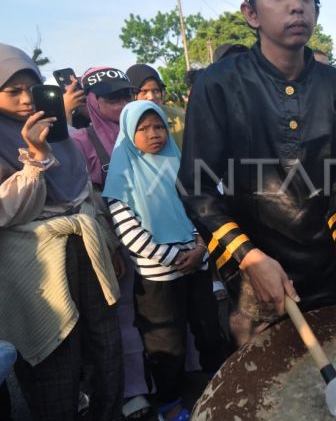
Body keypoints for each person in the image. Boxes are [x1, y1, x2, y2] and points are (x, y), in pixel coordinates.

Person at [178, 0, 336, 346]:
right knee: (265, 387)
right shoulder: (219, 83)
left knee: (332, 368)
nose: (297, 5)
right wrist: (249, 259)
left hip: (321, 269)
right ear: (251, 13)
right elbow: (195, 188)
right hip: (252, 272)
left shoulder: (335, 86)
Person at [0, 43, 123, 420]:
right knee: (56, 364)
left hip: (86, 250)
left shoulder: (62, 136)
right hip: (37, 269)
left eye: (32, 88)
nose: (25, 100)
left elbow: (84, 192)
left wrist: (108, 242)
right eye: (12, 90)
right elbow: (10, 210)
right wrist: (34, 159)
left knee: (105, 348)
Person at [103, 101, 226, 421]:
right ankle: (169, 404)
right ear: (129, 132)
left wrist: (200, 249)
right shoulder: (123, 172)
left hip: (197, 264)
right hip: (158, 277)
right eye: (142, 129)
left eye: (158, 126)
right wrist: (174, 258)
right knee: (165, 345)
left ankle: (225, 387)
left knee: (210, 331)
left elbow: (205, 210)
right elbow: (128, 232)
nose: (153, 134)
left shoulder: (180, 163)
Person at [69, 67, 151, 419]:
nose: (121, 104)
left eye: (125, 96)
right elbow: (80, 199)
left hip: (156, 235)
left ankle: (167, 376)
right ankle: (134, 391)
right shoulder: (80, 142)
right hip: (113, 238)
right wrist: (109, 246)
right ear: (92, 101)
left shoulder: (144, 128)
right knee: (124, 317)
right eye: (111, 98)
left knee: (161, 310)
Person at [126, 64, 186, 149]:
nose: (151, 97)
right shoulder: (124, 122)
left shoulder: (178, 119)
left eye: (156, 91)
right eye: (144, 91)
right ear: (132, 94)